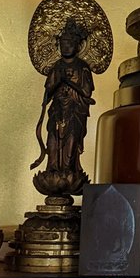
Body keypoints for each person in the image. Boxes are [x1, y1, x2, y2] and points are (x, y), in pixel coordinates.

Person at [31, 18, 95, 189]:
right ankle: (52, 169)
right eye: (63, 44)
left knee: (71, 139)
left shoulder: (82, 67)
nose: (66, 47)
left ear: (78, 46)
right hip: (57, 109)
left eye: (70, 43)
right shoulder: (56, 67)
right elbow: (47, 95)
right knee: (53, 139)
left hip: (75, 110)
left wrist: (69, 82)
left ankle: (68, 170)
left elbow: (86, 92)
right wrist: (58, 82)